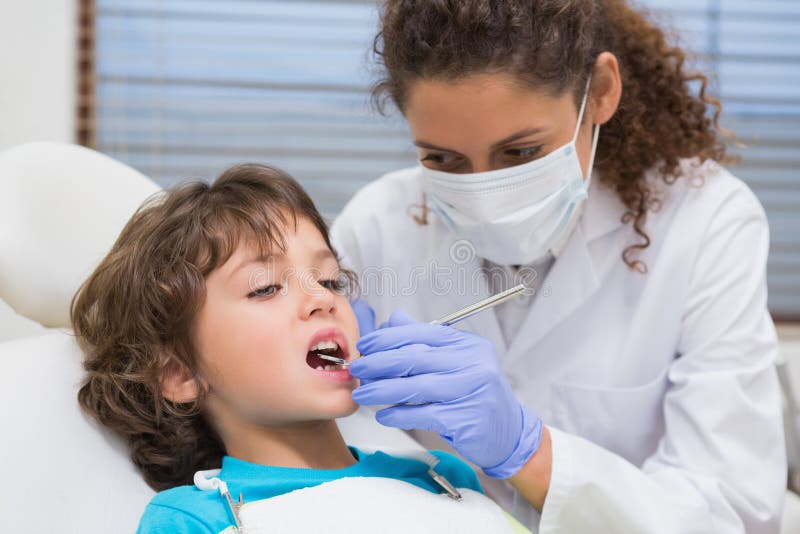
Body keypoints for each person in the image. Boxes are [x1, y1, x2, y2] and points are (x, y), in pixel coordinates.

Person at [331, 0, 786, 532]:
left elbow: (734, 510)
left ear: (600, 93)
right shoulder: (376, 227)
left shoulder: (705, 221)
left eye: (520, 153)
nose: (483, 192)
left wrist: (529, 451)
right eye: (442, 158)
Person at [70, 164, 492, 533]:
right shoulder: (194, 520)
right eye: (266, 288)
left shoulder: (442, 477)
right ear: (181, 374)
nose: (323, 299)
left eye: (330, 280)